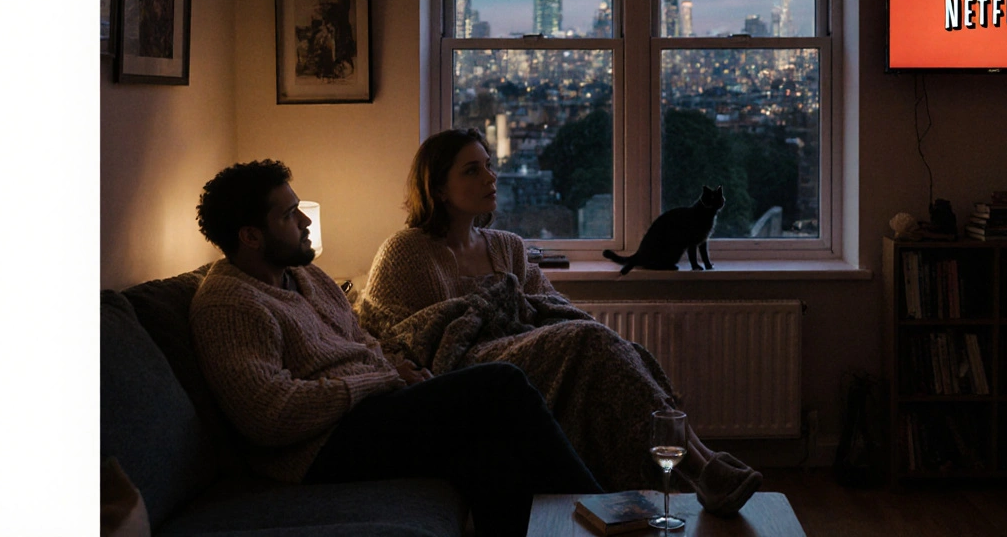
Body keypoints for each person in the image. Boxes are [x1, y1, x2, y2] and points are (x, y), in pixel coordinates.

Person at [356, 129, 764, 516]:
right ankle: (701, 468)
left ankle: (698, 465)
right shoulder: (405, 251)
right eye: (471, 170)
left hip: (523, 355)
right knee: (588, 339)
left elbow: (554, 307)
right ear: (438, 188)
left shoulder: (509, 247)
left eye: (488, 165)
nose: (490, 177)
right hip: (465, 372)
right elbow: (378, 333)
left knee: (614, 347)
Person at [189, 159, 601, 537]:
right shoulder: (230, 303)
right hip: (318, 448)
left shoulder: (306, 275)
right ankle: (608, 514)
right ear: (250, 236)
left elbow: (361, 340)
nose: (303, 220)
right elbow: (270, 415)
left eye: (297, 208)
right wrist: (381, 379)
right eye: (287, 215)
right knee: (501, 383)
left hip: (370, 411)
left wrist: (400, 373)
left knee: (491, 457)